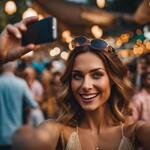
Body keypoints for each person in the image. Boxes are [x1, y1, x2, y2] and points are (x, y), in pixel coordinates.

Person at [13, 36, 150, 150]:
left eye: (96, 75)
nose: (86, 86)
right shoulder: (59, 131)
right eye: (77, 76)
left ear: (112, 79)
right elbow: (23, 141)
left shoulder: (135, 131)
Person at [0, 61, 39, 150]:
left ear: (2, 67)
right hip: (15, 134)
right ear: (14, 68)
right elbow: (33, 104)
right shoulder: (21, 83)